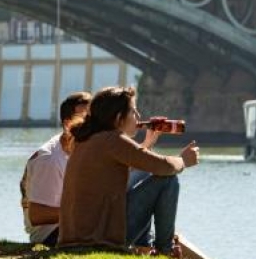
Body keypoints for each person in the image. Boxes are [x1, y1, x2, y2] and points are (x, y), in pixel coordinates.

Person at [58, 86, 199, 256]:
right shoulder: (112, 139)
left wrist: (146, 146)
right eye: (133, 111)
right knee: (167, 179)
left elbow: (136, 165)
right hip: (98, 239)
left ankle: (144, 246)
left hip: (75, 238)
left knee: (149, 175)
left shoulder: (87, 139)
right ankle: (165, 251)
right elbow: (165, 167)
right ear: (118, 117)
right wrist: (183, 160)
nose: (139, 117)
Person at [20, 92, 91, 247]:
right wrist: (87, 212)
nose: (92, 125)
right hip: (51, 234)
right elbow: (37, 215)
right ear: (68, 124)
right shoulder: (49, 159)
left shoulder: (83, 149)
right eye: (85, 118)